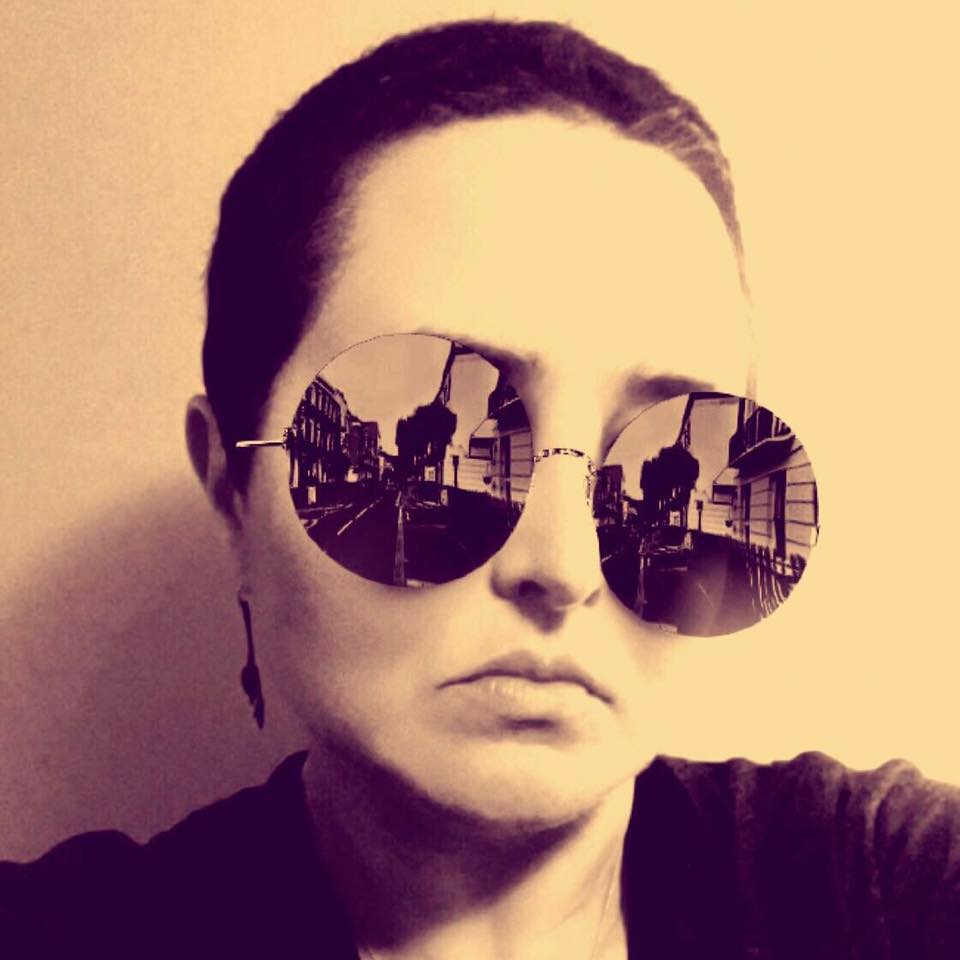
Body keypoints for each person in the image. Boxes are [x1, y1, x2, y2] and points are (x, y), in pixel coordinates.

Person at [2, 18, 958, 959]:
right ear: (232, 488)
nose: (566, 567)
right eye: (436, 449)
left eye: (669, 461)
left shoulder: (874, 888)